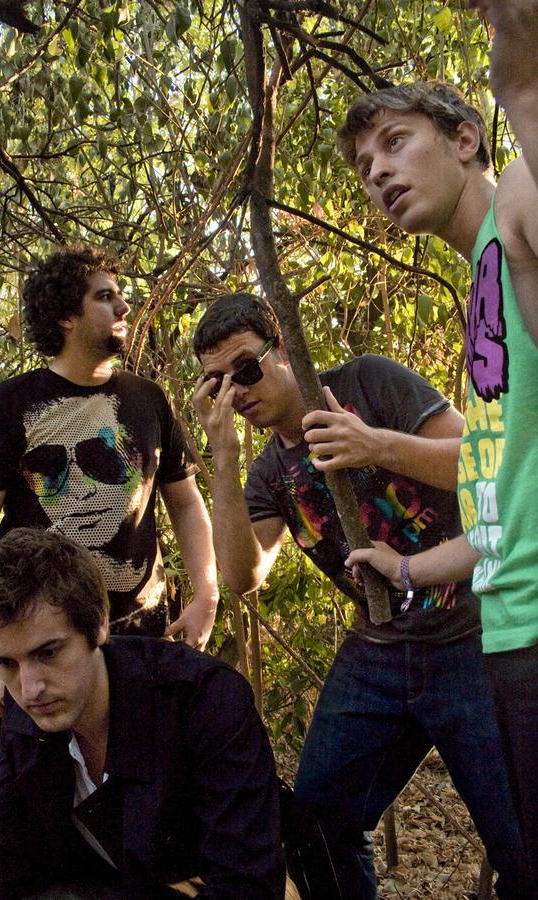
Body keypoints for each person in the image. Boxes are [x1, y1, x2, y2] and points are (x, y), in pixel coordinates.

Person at [191, 292, 523, 899]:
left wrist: (375, 445)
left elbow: (490, 467)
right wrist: (224, 456)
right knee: (316, 825)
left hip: (471, 634)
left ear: (282, 347)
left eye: (246, 368)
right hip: (379, 651)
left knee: (521, 841)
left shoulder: (368, 383)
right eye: (219, 384)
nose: (239, 391)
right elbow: (241, 576)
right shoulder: (269, 473)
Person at [0, 246, 219, 896]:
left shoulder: (147, 399)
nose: (123, 305)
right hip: (30, 648)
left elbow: (185, 503)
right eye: (104, 295)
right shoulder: (11, 404)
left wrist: (205, 592)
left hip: (139, 641)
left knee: (144, 820)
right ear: (66, 314)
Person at [339, 1, 538, 890]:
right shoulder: (485, 280)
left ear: (465, 139)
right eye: (364, 165)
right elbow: (508, 496)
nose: (377, 171)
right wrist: (411, 568)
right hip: (509, 629)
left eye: (395, 142)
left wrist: (523, 85)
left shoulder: (521, 208)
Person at [0, 527, 285, 900]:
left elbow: (247, 885)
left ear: (99, 624)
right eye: (6, 664)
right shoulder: (25, 713)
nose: (29, 689)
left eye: (48, 653)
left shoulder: (204, 701)